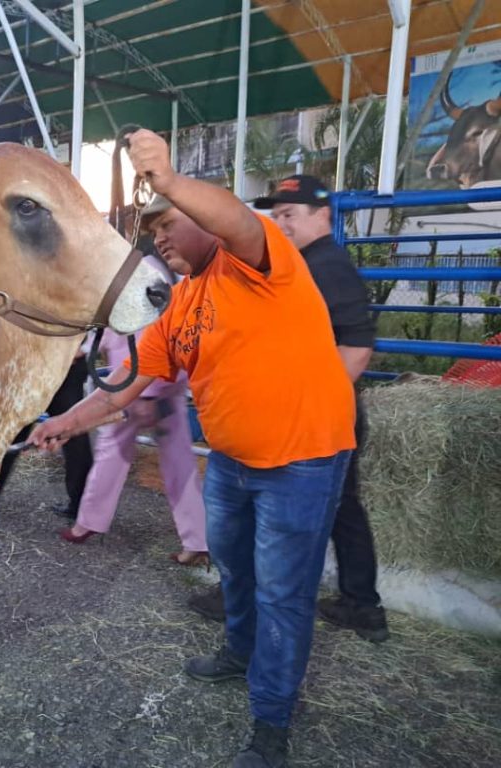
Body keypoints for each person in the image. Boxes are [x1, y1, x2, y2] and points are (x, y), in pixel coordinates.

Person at [29, 129, 356, 768]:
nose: (161, 236)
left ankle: (270, 724)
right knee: (235, 568)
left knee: (283, 594)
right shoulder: (179, 309)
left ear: (205, 220)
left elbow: (238, 218)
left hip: (304, 459)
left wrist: (170, 180)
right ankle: (239, 652)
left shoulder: (261, 263)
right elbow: (123, 390)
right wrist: (65, 420)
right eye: (153, 231)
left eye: (170, 223)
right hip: (233, 463)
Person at [187, 176, 389, 644]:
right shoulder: (301, 263)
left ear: (324, 215)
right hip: (316, 413)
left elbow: (356, 348)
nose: (281, 224)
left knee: (267, 509)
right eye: (276, 216)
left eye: (290, 214)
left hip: (313, 416)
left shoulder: (325, 266)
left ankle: (243, 595)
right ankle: (362, 604)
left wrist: (307, 403)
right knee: (341, 509)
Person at [59, 320, 208, 568]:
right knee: (178, 463)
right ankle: (198, 541)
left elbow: (157, 332)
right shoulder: (170, 284)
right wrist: (86, 348)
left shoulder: (159, 285)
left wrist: (149, 394)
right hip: (151, 382)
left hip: (140, 384)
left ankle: (87, 523)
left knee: (114, 453)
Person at [0, 355, 94, 517]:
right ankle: (82, 505)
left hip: (58, 365)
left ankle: (82, 504)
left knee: (73, 435)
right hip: (37, 365)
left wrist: (82, 346)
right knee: (13, 435)